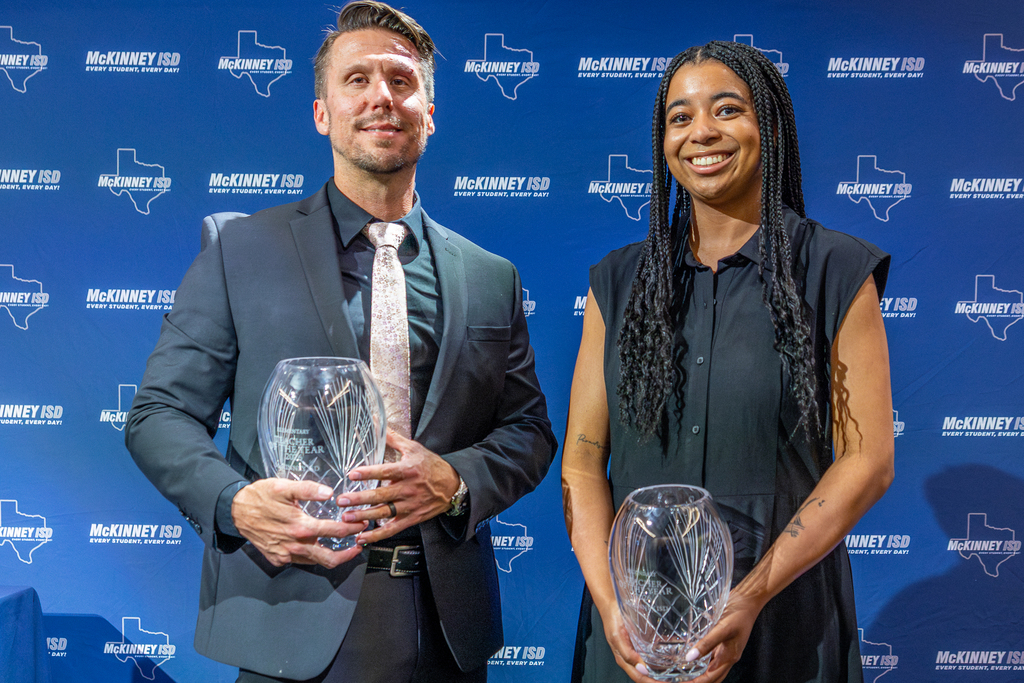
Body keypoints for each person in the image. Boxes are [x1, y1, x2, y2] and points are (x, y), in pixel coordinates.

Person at [125, 3, 556, 682]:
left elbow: (528, 430)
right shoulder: (240, 249)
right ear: (322, 112)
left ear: (429, 114)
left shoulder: (491, 275)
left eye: (401, 81)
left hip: (447, 629)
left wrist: (455, 479)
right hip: (290, 618)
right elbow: (158, 416)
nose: (381, 96)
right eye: (357, 79)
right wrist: (234, 504)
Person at [562, 41, 894, 683]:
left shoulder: (834, 269)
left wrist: (748, 598)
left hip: (783, 622)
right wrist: (613, 608)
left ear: (767, 127)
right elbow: (581, 460)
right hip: (637, 634)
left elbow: (868, 460)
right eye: (679, 117)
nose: (701, 132)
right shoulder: (618, 281)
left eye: (727, 109)